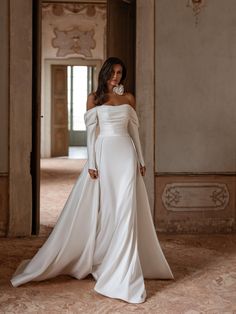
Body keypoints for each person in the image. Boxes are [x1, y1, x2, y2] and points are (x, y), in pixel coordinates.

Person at [11, 57, 174, 303]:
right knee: (109, 210)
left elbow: (134, 133)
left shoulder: (129, 98)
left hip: (126, 155)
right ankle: (105, 257)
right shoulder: (93, 98)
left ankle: (124, 269)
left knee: (126, 209)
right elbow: (91, 134)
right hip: (104, 155)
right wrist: (92, 162)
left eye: (120, 72)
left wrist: (141, 159)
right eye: (113, 72)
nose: (117, 76)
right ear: (105, 73)